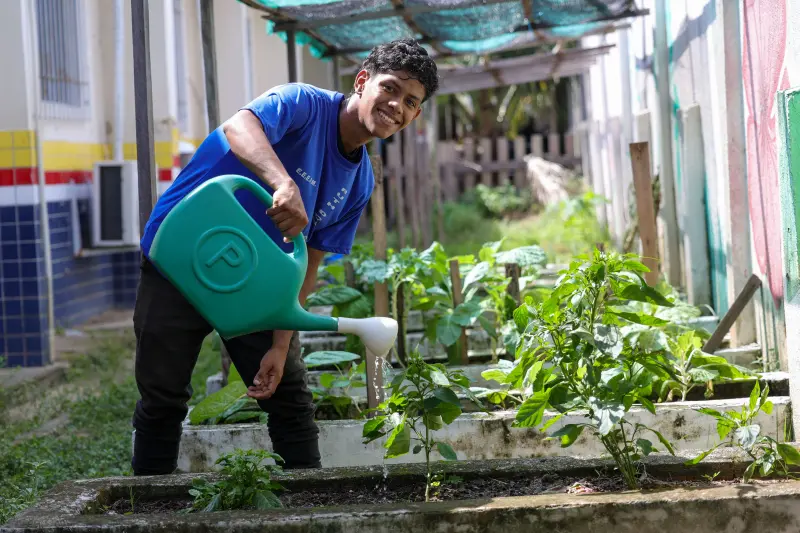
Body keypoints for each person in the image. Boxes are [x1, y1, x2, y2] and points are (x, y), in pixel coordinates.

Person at [130, 38, 439, 475]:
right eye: (390, 88)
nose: (396, 106)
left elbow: (309, 264)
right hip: (181, 256)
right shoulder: (302, 104)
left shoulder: (360, 183)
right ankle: (146, 510)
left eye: (410, 101)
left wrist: (280, 344)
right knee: (163, 399)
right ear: (363, 80)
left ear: (416, 115)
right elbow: (239, 128)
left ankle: (311, 509)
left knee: (290, 399)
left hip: (253, 287)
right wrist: (283, 183)